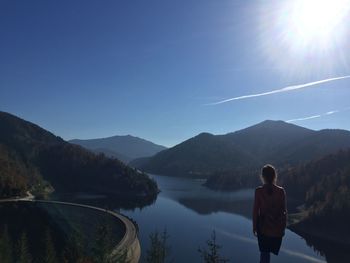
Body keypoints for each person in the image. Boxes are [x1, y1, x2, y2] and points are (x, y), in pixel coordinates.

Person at [252, 164, 287, 263]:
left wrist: (254, 226)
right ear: (275, 176)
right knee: (268, 251)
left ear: (262, 176)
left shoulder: (259, 191)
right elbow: (284, 210)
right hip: (277, 227)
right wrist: (283, 227)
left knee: (264, 253)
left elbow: (255, 211)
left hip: (263, 227)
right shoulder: (281, 191)